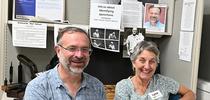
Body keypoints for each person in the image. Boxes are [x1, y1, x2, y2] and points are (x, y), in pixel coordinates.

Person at [24, 27, 106, 100]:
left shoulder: (97, 87)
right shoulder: (38, 87)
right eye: (72, 48)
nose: (79, 55)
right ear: (58, 51)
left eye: (84, 49)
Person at [115, 41, 196, 100]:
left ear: (157, 64)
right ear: (133, 63)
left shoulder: (163, 82)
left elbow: (190, 94)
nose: (147, 66)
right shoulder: (123, 86)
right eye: (142, 60)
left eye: (152, 61)